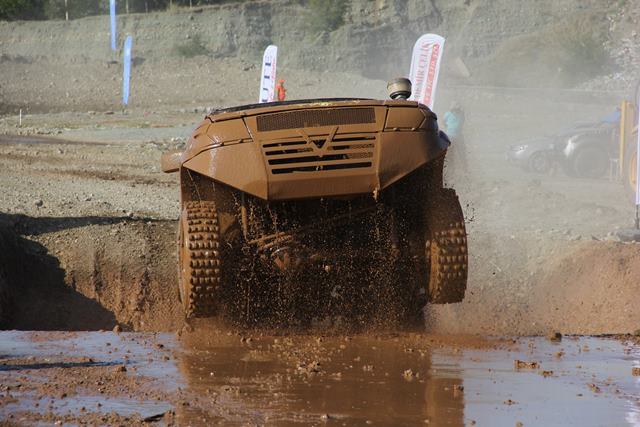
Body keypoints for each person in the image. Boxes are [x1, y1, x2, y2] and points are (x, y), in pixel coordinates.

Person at [443, 102, 468, 184]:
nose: (455, 111)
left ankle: (464, 171)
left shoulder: (459, 115)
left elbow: (444, 123)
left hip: (455, 137)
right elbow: (444, 122)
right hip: (452, 136)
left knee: (460, 154)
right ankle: (453, 172)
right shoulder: (450, 114)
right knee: (452, 155)